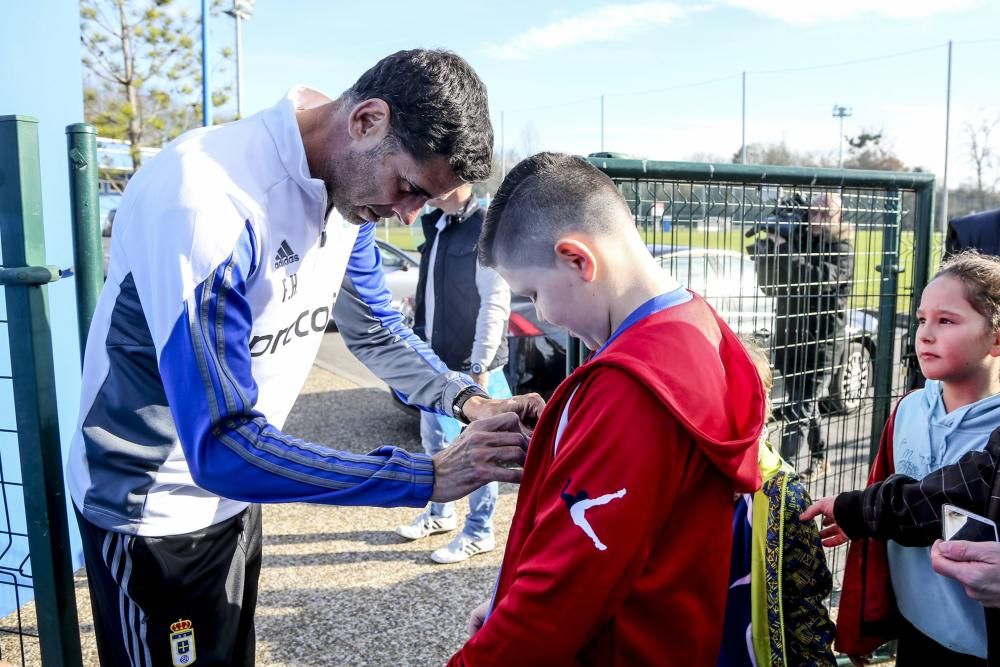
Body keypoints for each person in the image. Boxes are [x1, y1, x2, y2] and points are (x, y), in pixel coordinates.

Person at [67, 49, 543, 667]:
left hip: (237, 495)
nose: (407, 214)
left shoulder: (350, 191)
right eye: (409, 188)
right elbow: (223, 444)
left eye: (425, 202)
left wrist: (469, 400)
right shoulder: (206, 197)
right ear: (367, 120)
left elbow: (373, 329)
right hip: (152, 509)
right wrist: (425, 478)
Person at [449, 152, 766, 666]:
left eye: (533, 292)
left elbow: (559, 597)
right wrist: (562, 445)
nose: (544, 314)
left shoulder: (630, 388)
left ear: (577, 259)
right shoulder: (696, 321)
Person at [801, 251, 1000, 665]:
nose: (924, 334)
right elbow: (888, 502)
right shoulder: (907, 410)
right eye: (922, 318)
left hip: (977, 645)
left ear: (996, 337)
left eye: (946, 321)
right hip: (914, 627)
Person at [394, 183, 512, 563]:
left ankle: (479, 531)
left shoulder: (484, 228)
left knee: (481, 452)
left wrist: (479, 364)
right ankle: (441, 513)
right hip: (435, 362)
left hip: (472, 368)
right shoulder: (437, 225)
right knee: (435, 443)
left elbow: (495, 300)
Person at [717, 337, 835, 666]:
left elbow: (805, 606)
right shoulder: (675, 485)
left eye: (748, 396)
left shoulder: (785, 497)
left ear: (765, 406)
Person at [749, 192, 854, 479]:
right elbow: (770, 287)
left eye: (824, 214)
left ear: (838, 217)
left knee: (799, 409)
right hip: (790, 338)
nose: (815, 219)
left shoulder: (842, 248)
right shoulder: (798, 241)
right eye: (812, 213)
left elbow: (819, 280)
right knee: (803, 403)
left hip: (822, 344)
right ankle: (820, 458)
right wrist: (766, 255)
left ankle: (780, 479)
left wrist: (785, 253)